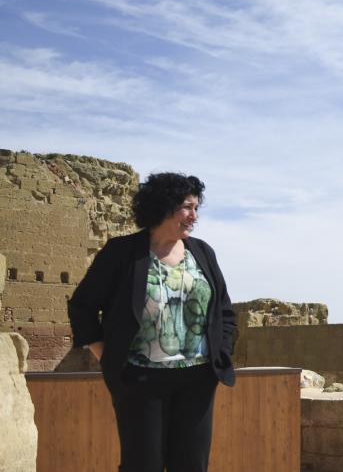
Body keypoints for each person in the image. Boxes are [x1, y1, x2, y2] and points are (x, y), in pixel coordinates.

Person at [67, 172, 235, 472]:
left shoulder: (203, 252)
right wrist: (105, 354)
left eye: (196, 208)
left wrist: (221, 351)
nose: (194, 216)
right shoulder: (122, 252)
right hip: (140, 379)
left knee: (192, 465)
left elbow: (223, 310)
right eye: (187, 207)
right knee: (142, 465)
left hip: (197, 378)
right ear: (164, 206)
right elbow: (83, 306)